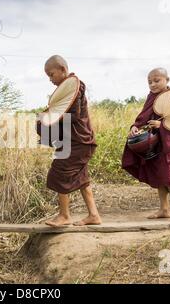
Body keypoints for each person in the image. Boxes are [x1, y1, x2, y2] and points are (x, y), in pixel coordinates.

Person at [42, 55, 101, 227]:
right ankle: (94, 215)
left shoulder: (75, 87)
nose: (50, 79)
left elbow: (73, 115)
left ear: (62, 69)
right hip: (76, 141)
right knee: (82, 178)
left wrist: (51, 118)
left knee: (59, 170)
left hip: (79, 141)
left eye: (51, 74)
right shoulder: (65, 91)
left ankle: (64, 215)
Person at [122, 68, 170, 219]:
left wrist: (161, 125)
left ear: (167, 80)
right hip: (155, 142)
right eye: (149, 82)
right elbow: (143, 117)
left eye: (157, 81)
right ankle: (164, 208)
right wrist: (134, 127)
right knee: (158, 172)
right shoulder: (151, 97)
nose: (152, 85)